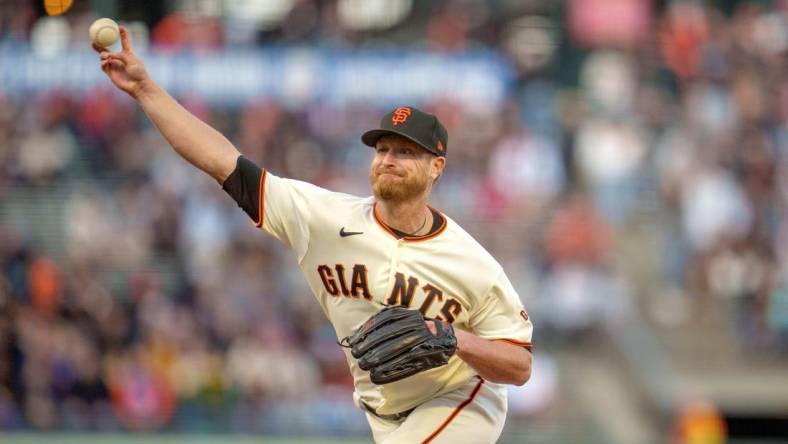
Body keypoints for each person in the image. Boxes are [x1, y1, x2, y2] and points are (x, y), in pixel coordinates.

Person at [94, 27, 533, 444]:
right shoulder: (322, 218)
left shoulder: (471, 262)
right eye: (382, 149)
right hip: (383, 413)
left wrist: (458, 339)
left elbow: (519, 365)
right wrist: (145, 90)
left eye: (405, 151)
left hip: (461, 398)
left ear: (436, 167)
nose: (387, 160)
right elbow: (222, 161)